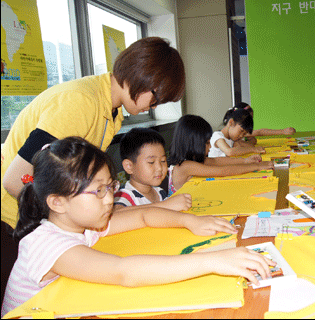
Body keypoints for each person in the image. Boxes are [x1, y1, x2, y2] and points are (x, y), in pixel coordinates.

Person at [0, 137, 274, 317]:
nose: (110, 199)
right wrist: (213, 260)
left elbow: (143, 217)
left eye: (110, 186)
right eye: (97, 191)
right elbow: (124, 271)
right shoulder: (46, 244)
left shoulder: (84, 224)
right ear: (57, 202)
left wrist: (189, 220)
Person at [1, 37, 185, 229]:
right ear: (141, 75)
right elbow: (15, 181)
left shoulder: (111, 110)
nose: (151, 107)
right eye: (155, 99)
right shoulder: (81, 102)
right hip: (17, 219)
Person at [167, 115, 274, 195]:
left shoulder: (192, 160)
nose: (210, 147)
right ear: (193, 143)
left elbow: (216, 161)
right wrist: (257, 166)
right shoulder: (185, 166)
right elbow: (222, 171)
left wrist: (245, 161)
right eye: (207, 143)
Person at [113, 128, 191, 211]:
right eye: (151, 162)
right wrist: (165, 205)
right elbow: (116, 215)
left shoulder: (159, 192)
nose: (159, 168)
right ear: (129, 166)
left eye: (163, 161)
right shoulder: (123, 196)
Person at [230, 103, 296, 147]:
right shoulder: (236, 132)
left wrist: (247, 143)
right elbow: (259, 132)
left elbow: (254, 141)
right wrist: (283, 131)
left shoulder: (242, 131)